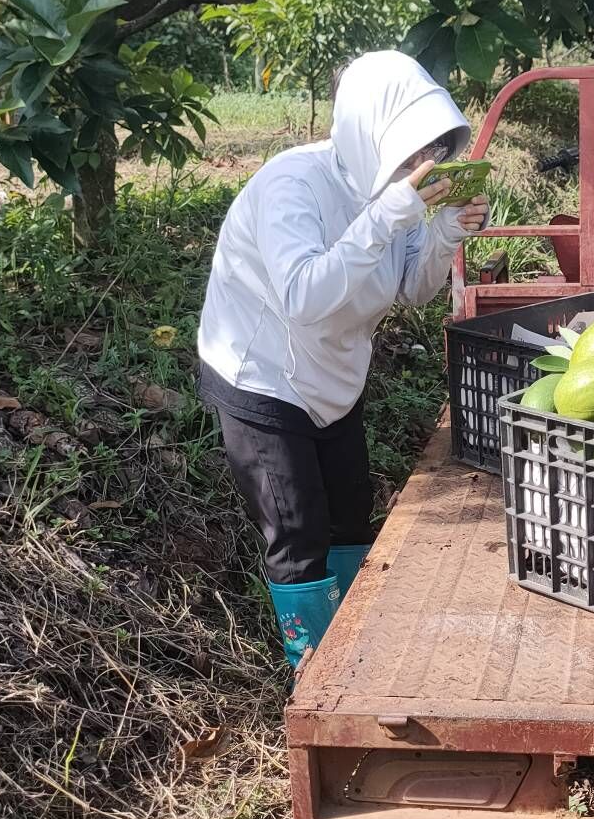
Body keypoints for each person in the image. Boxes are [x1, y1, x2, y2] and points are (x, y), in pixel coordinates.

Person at [197, 50, 488, 670]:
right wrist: (391, 216)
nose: (422, 166)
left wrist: (441, 236)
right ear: (369, 133)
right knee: (298, 531)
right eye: (411, 150)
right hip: (264, 374)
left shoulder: (393, 195)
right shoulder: (292, 185)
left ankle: (356, 655)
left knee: (352, 520)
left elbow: (408, 286)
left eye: (432, 151)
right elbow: (303, 296)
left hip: (334, 372)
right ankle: (316, 676)